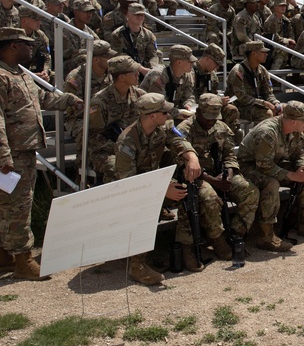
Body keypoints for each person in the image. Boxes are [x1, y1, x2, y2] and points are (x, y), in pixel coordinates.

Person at [0, 27, 82, 280]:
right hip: (9, 153)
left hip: (23, 150)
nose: (31, 49)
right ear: (12, 46)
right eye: (26, 44)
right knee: (18, 207)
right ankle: (24, 260)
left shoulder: (19, 74)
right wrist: (2, 156)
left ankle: (3, 256)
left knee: (8, 205)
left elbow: (42, 99)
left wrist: (70, 100)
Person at [168, 93, 261, 264]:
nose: (210, 121)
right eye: (207, 117)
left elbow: (230, 156)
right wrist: (214, 181)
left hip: (221, 175)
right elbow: (183, 165)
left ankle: (235, 233)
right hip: (195, 177)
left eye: (214, 117)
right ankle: (217, 239)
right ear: (198, 112)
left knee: (250, 192)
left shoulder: (222, 128)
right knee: (210, 198)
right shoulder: (184, 130)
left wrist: (228, 175)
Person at [237, 100, 304, 250]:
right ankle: (266, 236)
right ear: (294, 121)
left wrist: (300, 168)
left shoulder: (297, 131)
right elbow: (263, 165)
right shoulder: (268, 132)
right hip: (249, 167)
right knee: (271, 183)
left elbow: (299, 153)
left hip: (274, 163)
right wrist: (292, 176)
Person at [112, 93, 177, 285]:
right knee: (140, 208)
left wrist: (191, 156)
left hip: (151, 183)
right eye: (164, 112)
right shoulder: (128, 141)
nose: (168, 115)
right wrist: (162, 190)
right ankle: (137, 266)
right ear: (152, 116)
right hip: (128, 190)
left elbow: (178, 142)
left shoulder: (160, 129)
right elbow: (129, 183)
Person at [87, 55, 147, 183]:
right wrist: (121, 149)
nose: (138, 74)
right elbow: (94, 136)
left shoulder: (140, 95)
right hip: (106, 152)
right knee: (118, 168)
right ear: (122, 77)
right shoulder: (100, 101)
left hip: (134, 148)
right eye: (134, 72)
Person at [63, 39, 116, 145]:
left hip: (105, 116)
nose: (111, 60)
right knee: (92, 133)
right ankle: (84, 160)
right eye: (107, 57)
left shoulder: (110, 74)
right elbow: (73, 108)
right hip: (79, 119)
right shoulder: (76, 77)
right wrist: (99, 114)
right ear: (96, 59)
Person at [226, 41, 281, 122]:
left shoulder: (262, 70)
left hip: (255, 104)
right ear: (254, 54)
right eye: (263, 52)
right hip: (239, 107)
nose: (266, 54)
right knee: (267, 114)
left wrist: (275, 103)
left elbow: (268, 93)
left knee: (286, 110)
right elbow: (240, 97)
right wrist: (263, 103)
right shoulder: (238, 70)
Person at [141, 44, 197, 112]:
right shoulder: (158, 75)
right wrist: (177, 114)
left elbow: (189, 95)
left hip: (169, 112)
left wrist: (188, 104)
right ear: (179, 62)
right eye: (190, 61)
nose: (193, 63)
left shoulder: (187, 75)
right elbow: (159, 104)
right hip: (151, 114)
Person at [109, 3, 161, 73]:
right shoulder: (118, 34)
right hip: (126, 70)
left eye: (142, 15)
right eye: (137, 14)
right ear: (128, 15)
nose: (140, 17)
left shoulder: (149, 35)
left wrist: (152, 69)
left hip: (145, 68)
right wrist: (140, 69)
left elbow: (152, 55)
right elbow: (119, 57)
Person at [263, 0, 298, 69]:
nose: (283, 8)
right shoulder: (271, 20)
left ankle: (285, 76)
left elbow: (291, 33)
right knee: (283, 50)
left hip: (282, 44)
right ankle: (274, 74)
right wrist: (287, 41)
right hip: (270, 45)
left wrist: (291, 41)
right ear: (275, 7)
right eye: (281, 6)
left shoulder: (286, 20)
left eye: (284, 6)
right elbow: (274, 37)